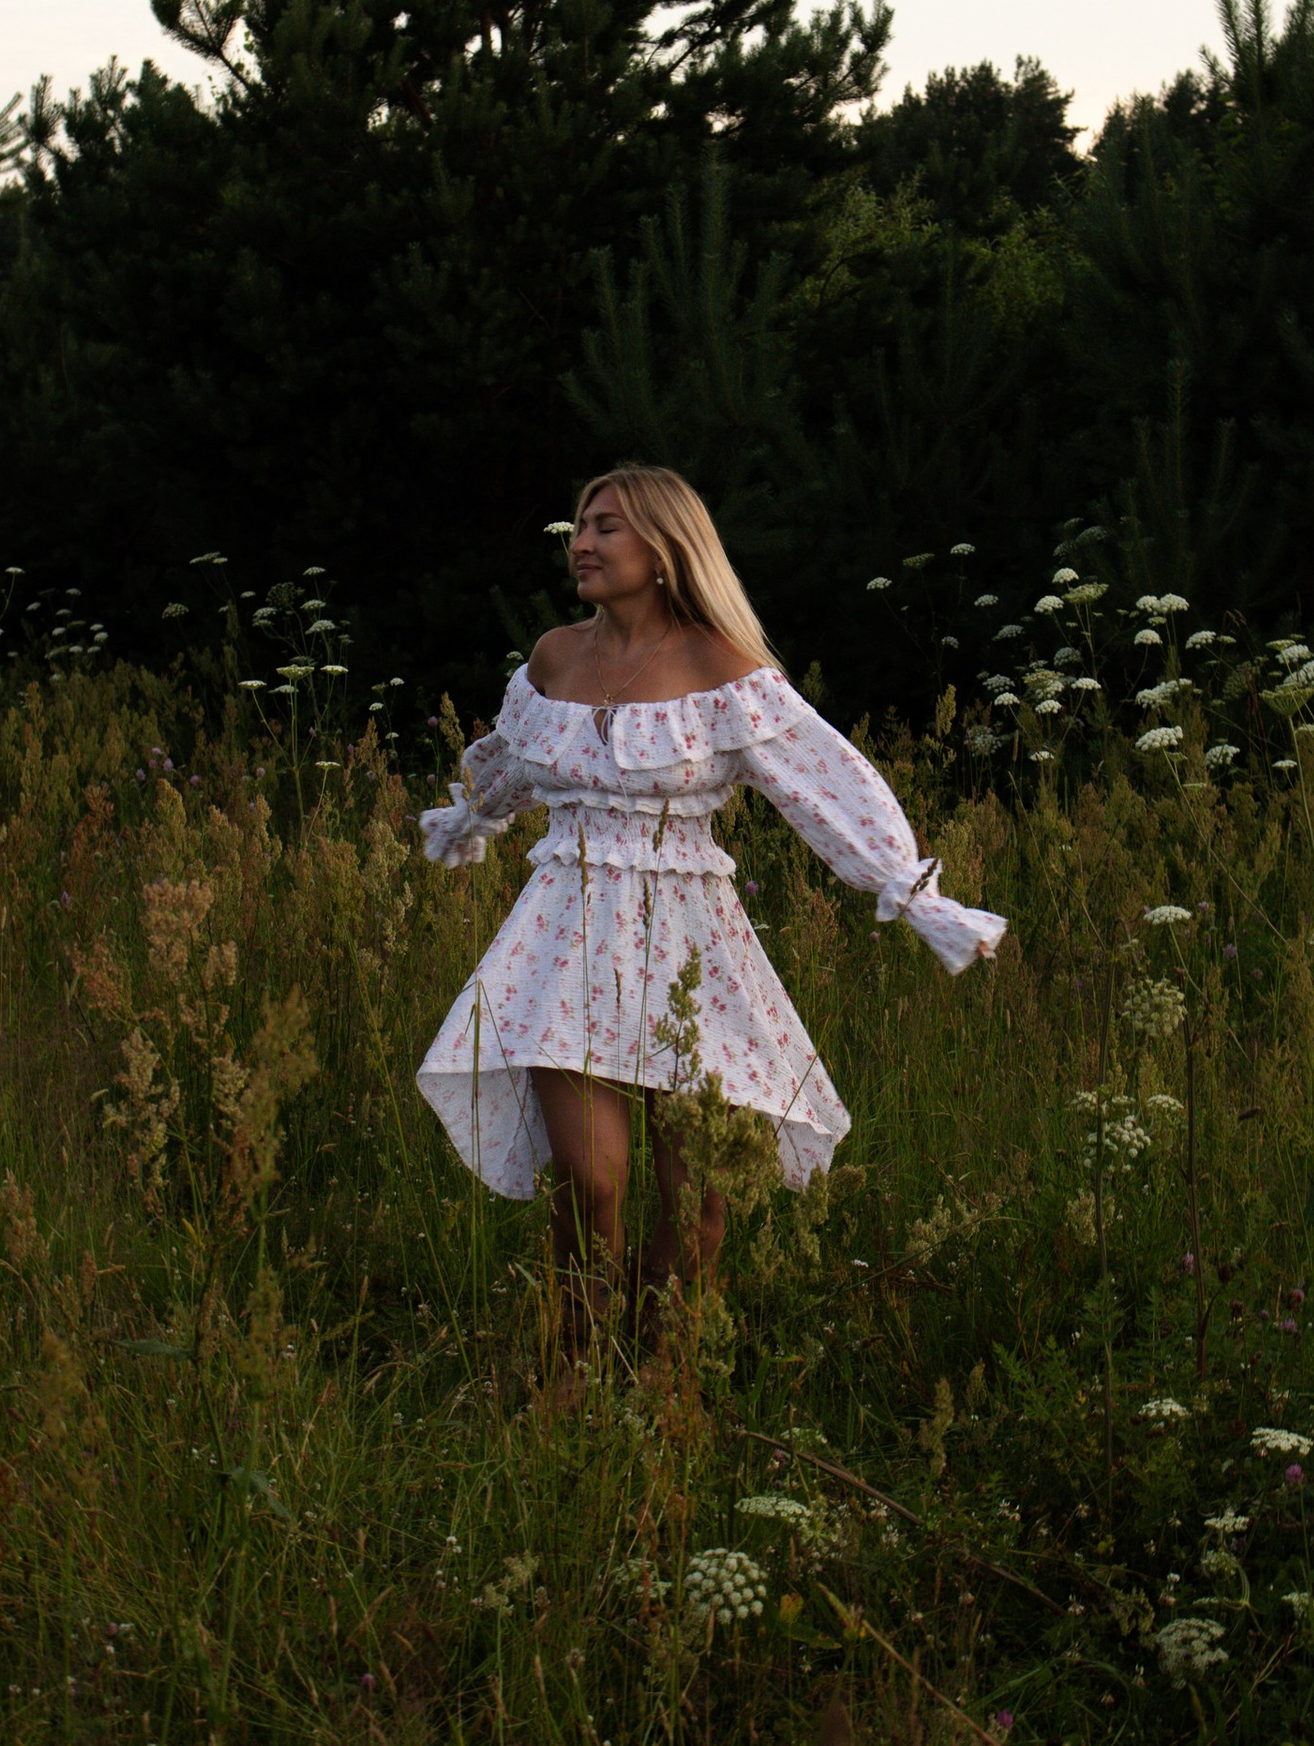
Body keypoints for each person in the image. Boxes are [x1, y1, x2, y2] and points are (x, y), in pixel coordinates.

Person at [415, 462, 1005, 1360]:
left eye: (606, 526)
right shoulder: (554, 656)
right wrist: (471, 818)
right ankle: (572, 1369)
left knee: (698, 1195)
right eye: (580, 525)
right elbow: (508, 758)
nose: (582, 543)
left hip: (693, 946)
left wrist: (910, 892)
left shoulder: (723, 667)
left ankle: (665, 1379)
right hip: (560, 939)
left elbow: (824, 780)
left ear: (665, 547)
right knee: (591, 1180)